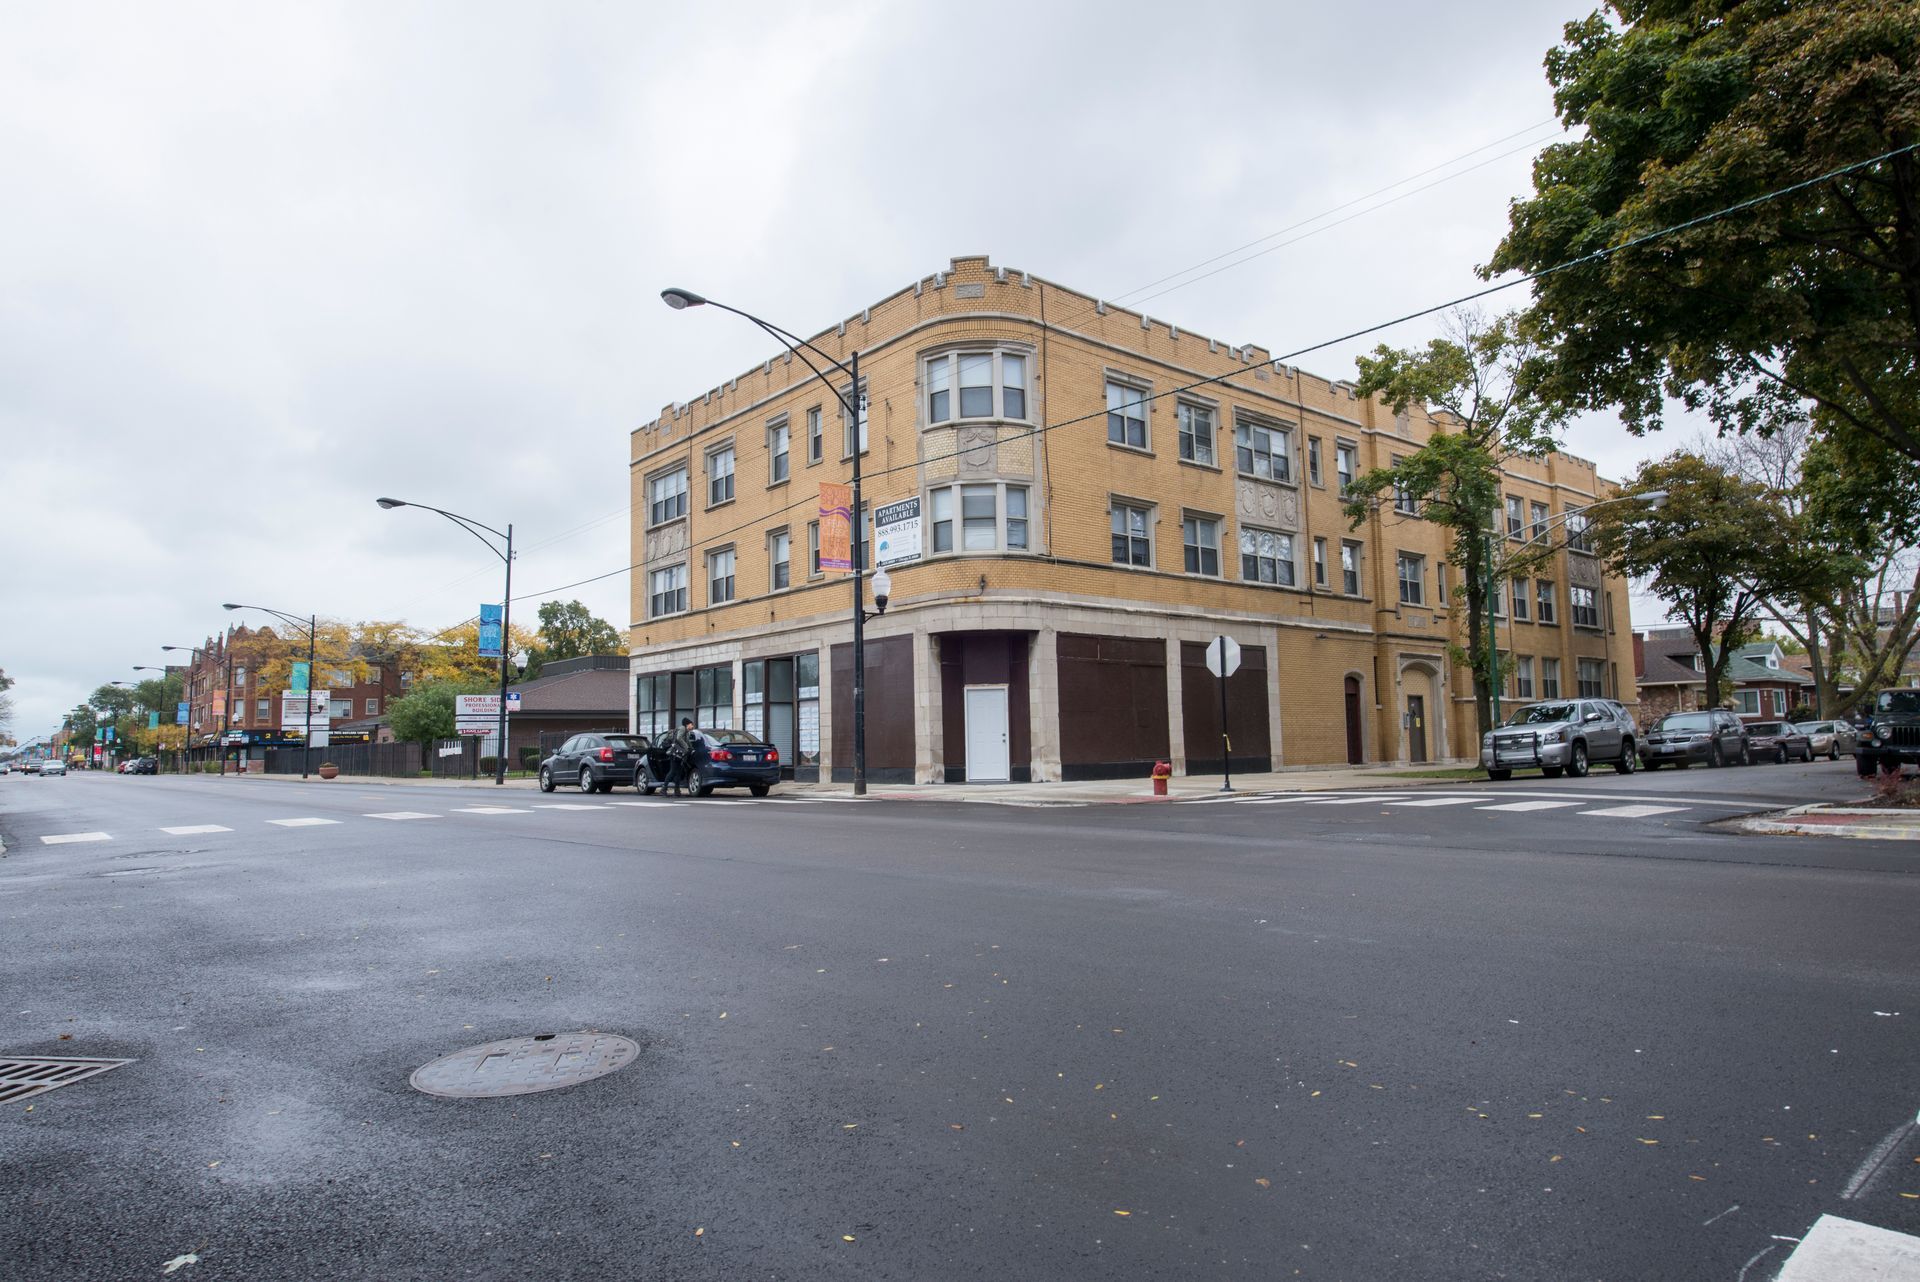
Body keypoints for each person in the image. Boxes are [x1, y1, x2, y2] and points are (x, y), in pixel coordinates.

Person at [666, 718, 698, 797]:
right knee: (672, 771)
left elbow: (687, 741)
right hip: (675, 754)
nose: (692, 726)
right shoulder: (683, 729)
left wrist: (691, 748)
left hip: (680, 755)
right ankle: (664, 788)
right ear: (687, 724)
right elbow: (678, 738)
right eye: (691, 724)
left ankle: (677, 790)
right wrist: (686, 747)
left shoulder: (687, 732)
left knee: (678, 772)